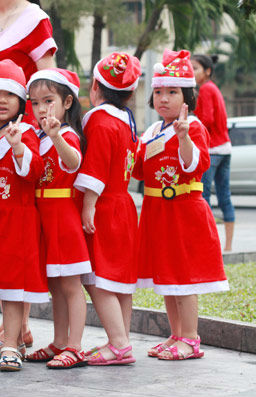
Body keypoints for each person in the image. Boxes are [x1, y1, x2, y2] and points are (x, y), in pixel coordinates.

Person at [0, 0, 57, 345]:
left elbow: (49, 82)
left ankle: (16, 327)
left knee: (17, 230)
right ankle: (15, 326)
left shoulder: (34, 19)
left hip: (22, 132)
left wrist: (40, 130)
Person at [135, 49, 229, 360]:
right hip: (157, 213)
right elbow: (138, 172)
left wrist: (185, 137)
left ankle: (190, 339)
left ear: (187, 95)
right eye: (158, 91)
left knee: (184, 279)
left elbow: (195, 165)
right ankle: (175, 335)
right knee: (167, 278)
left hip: (183, 212)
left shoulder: (195, 127)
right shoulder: (151, 132)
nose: (163, 98)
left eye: (172, 92)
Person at [0, 59, 47, 372]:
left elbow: (34, 171)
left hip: (17, 222)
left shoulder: (26, 133)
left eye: (9, 94)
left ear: (21, 100)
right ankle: (15, 339)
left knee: (14, 286)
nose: (2, 100)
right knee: (2, 284)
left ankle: (9, 345)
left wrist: (18, 147)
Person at [73, 52, 141, 366]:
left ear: (96, 88)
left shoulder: (99, 121)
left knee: (97, 277)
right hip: (124, 205)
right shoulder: (128, 121)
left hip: (102, 206)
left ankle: (118, 343)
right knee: (119, 280)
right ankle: (121, 340)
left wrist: (88, 206)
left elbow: (96, 169)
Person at [26, 68, 90, 369]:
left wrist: (55, 137)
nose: (41, 108)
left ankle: (75, 345)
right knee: (55, 285)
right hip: (43, 218)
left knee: (70, 285)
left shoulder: (64, 134)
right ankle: (59, 341)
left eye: (48, 100)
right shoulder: (35, 135)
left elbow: (73, 162)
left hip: (62, 216)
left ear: (67, 102)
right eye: (35, 102)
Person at [191, 54, 234, 252]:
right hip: (225, 147)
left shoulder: (206, 89)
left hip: (213, 149)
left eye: (196, 68)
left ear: (207, 71)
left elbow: (206, 119)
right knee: (224, 197)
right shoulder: (213, 88)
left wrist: (191, 122)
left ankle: (207, 245)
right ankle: (228, 246)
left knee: (203, 197)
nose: (192, 71)